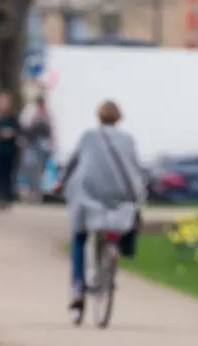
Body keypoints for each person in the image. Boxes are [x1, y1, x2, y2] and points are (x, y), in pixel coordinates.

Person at [55, 100, 146, 315]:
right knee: (122, 224)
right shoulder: (128, 140)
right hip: (120, 196)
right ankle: (115, 256)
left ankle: (78, 287)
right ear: (119, 117)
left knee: (79, 236)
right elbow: (136, 168)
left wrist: (61, 182)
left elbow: (73, 162)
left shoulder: (88, 137)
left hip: (90, 195)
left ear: (99, 117)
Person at [20, 95, 53, 202]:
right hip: (31, 143)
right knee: (31, 167)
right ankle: (30, 190)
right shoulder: (30, 111)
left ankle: (37, 192)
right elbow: (24, 126)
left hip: (43, 144)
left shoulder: (47, 113)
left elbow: (51, 129)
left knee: (40, 168)